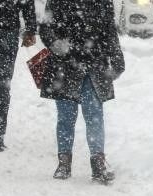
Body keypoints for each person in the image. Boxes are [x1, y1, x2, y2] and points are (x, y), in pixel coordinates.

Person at [39, 0, 123, 184]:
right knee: (66, 117)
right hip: (64, 66)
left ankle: (98, 162)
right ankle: (64, 162)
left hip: (93, 64)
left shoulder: (103, 3)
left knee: (94, 115)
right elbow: (45, 28)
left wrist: (117, 59)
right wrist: (56, 44)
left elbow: (109, 31)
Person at [0, 0, 36, 152]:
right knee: (1, 86)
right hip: (7, 31)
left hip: (6, 31)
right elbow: (27, 3)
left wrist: (30, 28)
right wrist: (30, 28)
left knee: (0, 86)